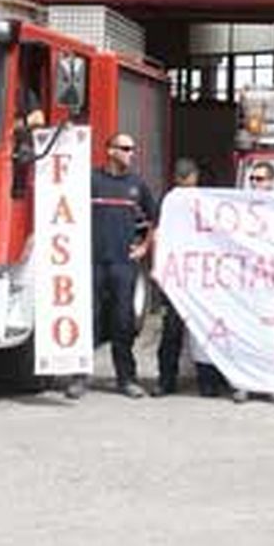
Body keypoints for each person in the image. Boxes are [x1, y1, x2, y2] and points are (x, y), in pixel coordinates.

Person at [67, 132, 157, 399]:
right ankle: (79, 377)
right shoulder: (91, 181)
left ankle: (126, 379)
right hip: (92, 262)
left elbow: (154, 218)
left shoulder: (137, 185)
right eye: (125, 148)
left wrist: (144, 247)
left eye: (132, 149)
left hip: (123, 265)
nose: (131, 153)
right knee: (88, 319)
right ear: (110, 151)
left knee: (123, 322)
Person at [232, 160, 274, 406]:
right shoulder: (238, 208)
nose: (255, 183)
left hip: (273, 283)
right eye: (252, 179)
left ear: (271, 182)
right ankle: (244, 384)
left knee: (272, 336)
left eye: (260, 179)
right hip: (246, 281)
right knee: (245, 331)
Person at [151, 157, 199, 397]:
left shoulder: (168, 200)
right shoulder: (200, 200)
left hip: (180, 275)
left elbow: (157, 235)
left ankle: (166, 381)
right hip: (192, 275)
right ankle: (208, 381)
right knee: (189, 329)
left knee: (172, 330)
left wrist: (157, 266)